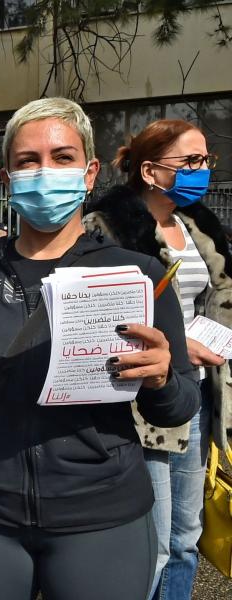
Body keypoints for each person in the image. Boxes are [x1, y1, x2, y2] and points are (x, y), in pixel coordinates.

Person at [0, 98, 199, 600]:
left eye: (62, 158)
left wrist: (161, 377)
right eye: (28, 161)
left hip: (103, 520)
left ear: (89, 174)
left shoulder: (138, 275)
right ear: (6, 177)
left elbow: (179, 407)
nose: (45, 172)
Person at [83, 119, 231, 600]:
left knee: (186, 538)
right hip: (143, 399)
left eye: (205, 160)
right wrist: (172, 342)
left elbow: (217, 299)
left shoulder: (195, 226)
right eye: (190, 161)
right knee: (153, 541)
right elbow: (93, 316)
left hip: (198, 396)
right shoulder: (104, 229)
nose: (202, 170)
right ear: (149, 170)